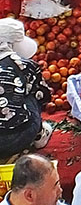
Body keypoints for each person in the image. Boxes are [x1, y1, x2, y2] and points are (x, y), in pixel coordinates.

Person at [0, 17, 51, 158]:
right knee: (31, 91)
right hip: (20, 136)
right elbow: (44, 96)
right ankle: (39, 136)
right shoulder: (22, 65)